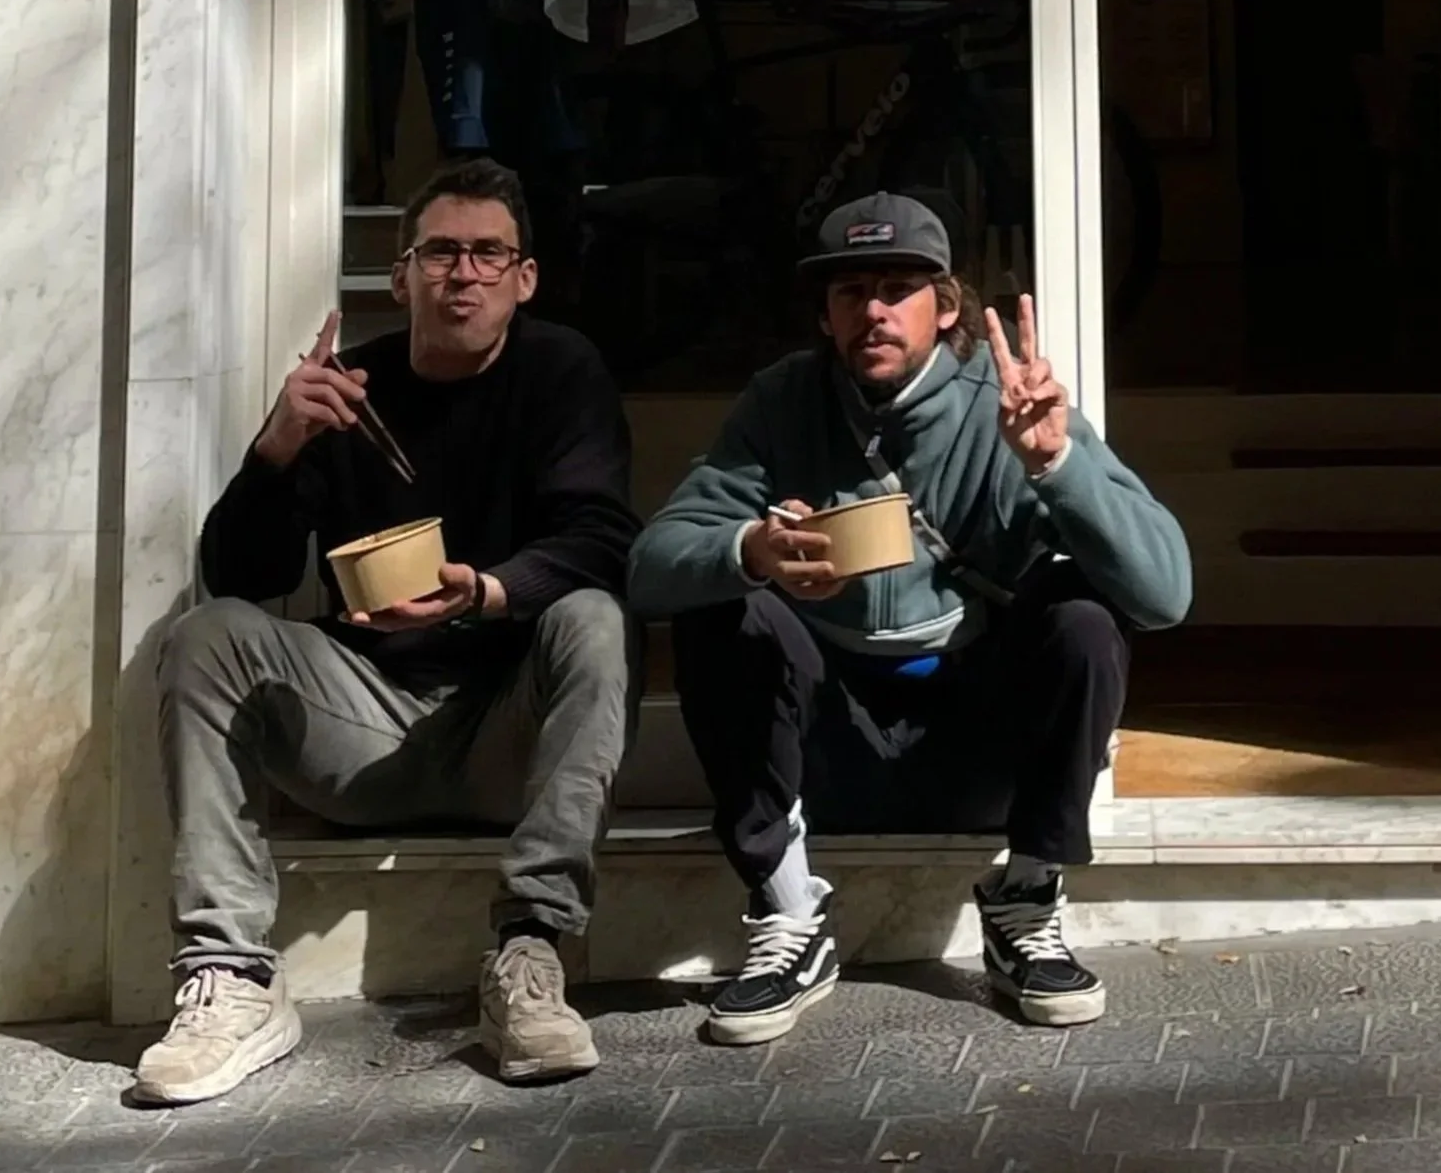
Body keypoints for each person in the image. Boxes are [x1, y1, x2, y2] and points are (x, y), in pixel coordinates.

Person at [627, 191, 1192, 1045]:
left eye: (899, 287)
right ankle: (787, 914)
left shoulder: (1005, 404)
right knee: (722, 604)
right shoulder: (783, 401)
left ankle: (1025, 899)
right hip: (828, 745)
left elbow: (1165, 595)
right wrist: (754, 548)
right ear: (825, 312)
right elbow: (649, 566)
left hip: (974, 745)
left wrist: (1057, 464)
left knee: (1081, 614)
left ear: (948, 305)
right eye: (851, 293)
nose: (875, 312)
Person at [134, 159, 641, 1105]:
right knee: (207, 634)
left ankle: (531, 952)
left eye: (489, 253)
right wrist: (276, 450)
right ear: (400, 276)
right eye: (440, 251)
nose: (464, 273)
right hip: (363, 728)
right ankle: (232, 977)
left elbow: (603, 541)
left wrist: (487, 592)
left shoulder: (561, 370)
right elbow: (244, 574)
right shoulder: (347, 394)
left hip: (509, 734)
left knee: (595, 620)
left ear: (523, 277)